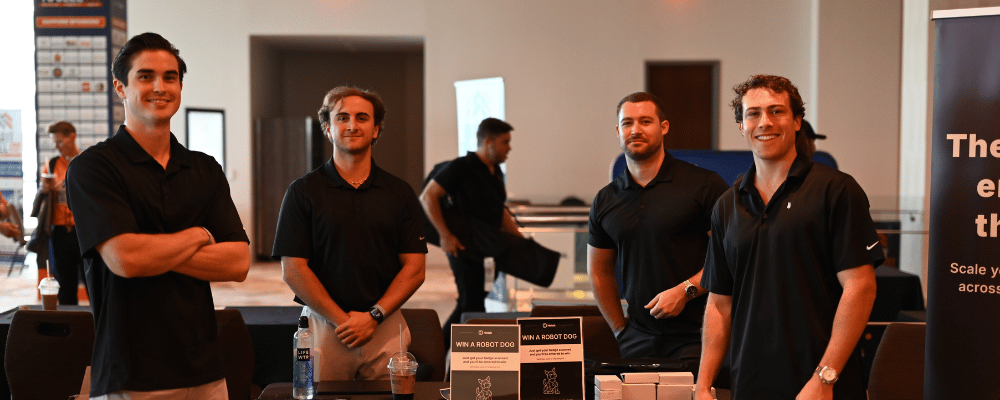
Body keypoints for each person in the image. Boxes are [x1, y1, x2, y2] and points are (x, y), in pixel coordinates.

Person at [66, 32, 251, 399]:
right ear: (120, 87)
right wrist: (198, 234)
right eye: (145, 76)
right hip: (129, 373)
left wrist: (150, 248)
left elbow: (238, 262)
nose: (160, 87)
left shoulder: (204, 169)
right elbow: (126, 259)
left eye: (170, 77)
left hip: (205, 371)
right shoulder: (93, 168)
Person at [694, 75, 882, 400]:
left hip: (823, 385)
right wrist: (703, 383)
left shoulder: (836, 190)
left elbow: (861, 287)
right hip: (750, 383)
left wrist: (825, 377)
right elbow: (719, 304)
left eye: (776, 111)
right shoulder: (728, 204)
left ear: (796, 121)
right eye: (753, 113)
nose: (764, 122)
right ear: (741, 125)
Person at [272, 86, 426, 381]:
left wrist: (374, 317)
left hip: (385, 326)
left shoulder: (400, 193)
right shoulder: (302, 192)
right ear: (328, 129)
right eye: (342, 118)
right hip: (323, 327)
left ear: (376, 129)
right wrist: (344, 321)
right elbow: (293, 270)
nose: (352, 125)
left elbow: (415, 269)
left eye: (362, 118)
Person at [588, 92, 728, 364]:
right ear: (618, 131)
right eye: (627, 123)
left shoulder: (704, 185)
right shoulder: (605, 199)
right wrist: (620, 330)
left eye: (645, 122)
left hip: (698, 336)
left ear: (663, 127)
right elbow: (599, 270)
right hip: (636, 339)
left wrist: (684, 291)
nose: (635, 130)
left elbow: (727, 258)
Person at [419, 117, 520, 342]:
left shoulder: (495, 172)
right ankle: (435, 355)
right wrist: (446, 236)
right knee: (469, 304)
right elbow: (428, 197)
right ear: (488, 142)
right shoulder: (461, 168)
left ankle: (463, 356)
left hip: (485, 249)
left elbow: (500, 211)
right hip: (462, 246)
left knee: (474, 304)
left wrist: (520, 242)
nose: (509, 147)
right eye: (505, 141)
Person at [40, 121, 85, 305]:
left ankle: (97, 327)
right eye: (54, 143)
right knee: (66, 285)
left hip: (84, 231)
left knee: (92, 282)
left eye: (59, 141)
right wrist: (45, 189)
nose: (56, 146)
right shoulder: (51, 165)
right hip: (59, 232)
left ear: (72, 136)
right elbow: (42, 194)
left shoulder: (86, 162)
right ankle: (70, 328)